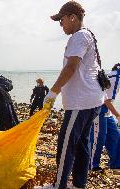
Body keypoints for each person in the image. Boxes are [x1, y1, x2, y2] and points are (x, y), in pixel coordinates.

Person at [40, 1, 106, 189]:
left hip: (80, 102)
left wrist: (53, 92)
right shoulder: (89, 35)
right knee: (82, 144)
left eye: (61, 20)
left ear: (73, 17)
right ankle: (79, 184)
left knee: (66, 145)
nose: (61, 25)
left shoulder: (78, 36)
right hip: (93, 101)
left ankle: (59, 185)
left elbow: (71, 67)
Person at [90, 63, 120, 173]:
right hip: (99, 108)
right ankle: (93, 165)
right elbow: (106, 100)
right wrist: (118, 115)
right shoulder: (116, 77)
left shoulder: (114, 75)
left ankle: (116, 164)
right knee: (98, 138)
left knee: (115, 136)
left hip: (106, 111)